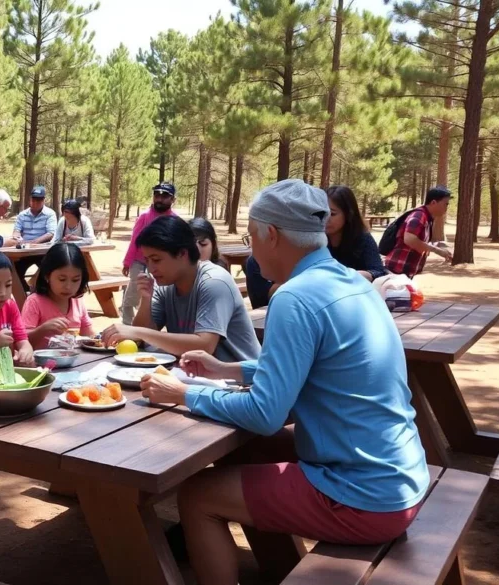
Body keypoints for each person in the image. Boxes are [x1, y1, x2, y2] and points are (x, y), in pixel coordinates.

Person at [138, 179, 429, 585]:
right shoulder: (352, 283)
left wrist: (184, 393)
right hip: (401, 476)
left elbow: (265, 413)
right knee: (248, 452)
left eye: (250, 236)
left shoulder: (294, 297)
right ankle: (277, 565)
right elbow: (316, 369)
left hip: (364, 495)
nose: (251, 249)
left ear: (270, 235)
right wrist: (228, 370)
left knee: (197, 496)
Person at [102, 216, 261, 363]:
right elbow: (144, 336)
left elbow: (205, 346)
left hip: (241, 381)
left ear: (182, 254)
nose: (150, 268)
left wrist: (137, 332)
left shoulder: (214, 282)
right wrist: (146, 299)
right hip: (199, 377)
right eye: (147, 260)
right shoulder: (165, 283)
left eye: (156, 260)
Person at [246, 185, 389, 309]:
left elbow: (378, 271)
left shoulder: (361, 239)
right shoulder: (312, 246)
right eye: (320, 213)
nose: (325, 219)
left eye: (332, 214)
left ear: (348, 215)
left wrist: (360, 275)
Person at [121, 182, 178, 325]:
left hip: (162, 263)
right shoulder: (145, 216)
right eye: (157, 195)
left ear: (172, 200)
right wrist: (127, 262)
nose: (160, 199)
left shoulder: (174, 220)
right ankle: (127, 323)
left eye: (165, 196)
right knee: (134, 289)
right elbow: (135, 239)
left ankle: (149, 323)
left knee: (156, 291)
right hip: (139, 260)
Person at [21, 243, 96, 350]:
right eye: (62, 279)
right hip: (43, 364)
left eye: (75, 280)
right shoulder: (35, 302)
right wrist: (42, 330)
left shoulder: (77, 302)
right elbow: (21, 341)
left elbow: (89, 335)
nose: (68, 286)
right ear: (47, 276)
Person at [385, 185, 454, 278]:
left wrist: (439, 249)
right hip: (396, 270)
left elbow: (419, 242)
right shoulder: (419, 215)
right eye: (445, 204)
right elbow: (409, 239)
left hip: (403, 271)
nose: (446, 208)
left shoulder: (426, 218)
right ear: (433, 202)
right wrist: (437, 251)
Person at [11, 185, 57, 286]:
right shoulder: (22, 215)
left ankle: (40, 292)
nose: (36, 202)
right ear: (30, 199)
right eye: (34, 199)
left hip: (42, 251)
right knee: (15, 272)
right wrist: (17, 238)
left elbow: (50, 233)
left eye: (39, 200)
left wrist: (34, 243)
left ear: (44, 200)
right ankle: (25, 293)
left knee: (48, 273)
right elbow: (16, 231)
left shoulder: (50, 214)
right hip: (24, 252)